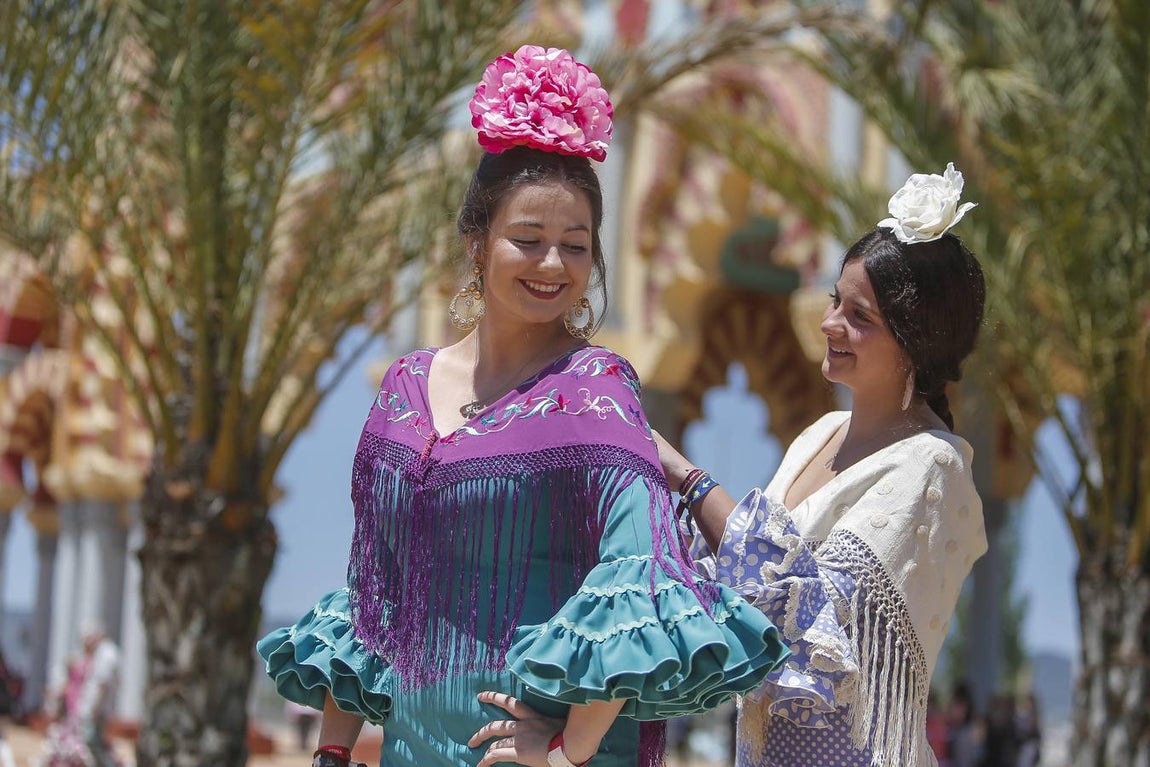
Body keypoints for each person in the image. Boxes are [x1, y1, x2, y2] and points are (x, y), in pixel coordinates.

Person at [257, 44, 789, 767]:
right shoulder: (406, 388)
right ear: (477, 244)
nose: (553, 266)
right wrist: (331, 750)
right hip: (413, 748)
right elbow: (375, 591)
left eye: (575, 246)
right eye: (528, 240)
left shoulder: (596, 387)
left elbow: (646, 574)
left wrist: (570, 747)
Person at [654, 163, 989, 766]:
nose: (830, 323)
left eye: (860, 316)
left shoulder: (932, 469)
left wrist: (686, 476)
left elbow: (809, 614)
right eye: (836, 301)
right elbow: (729, 574)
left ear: (915, 340)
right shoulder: (821, 434)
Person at [38, 626, 122, 767]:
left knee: (89, 745)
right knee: (83, 744)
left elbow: (101, 685)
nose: (84, 643)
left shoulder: (106, 654)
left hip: (90, 710)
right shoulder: (93, 656)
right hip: (81, 709)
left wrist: (93, 708)